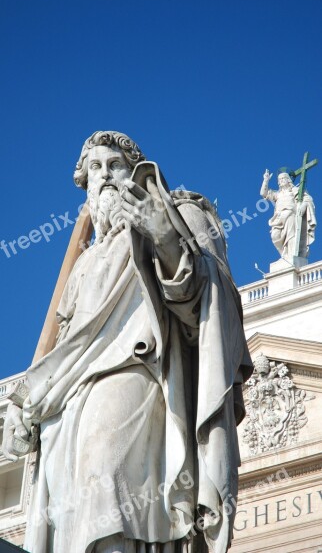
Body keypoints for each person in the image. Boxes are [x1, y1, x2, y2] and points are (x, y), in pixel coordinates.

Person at [3, 131, 252, 553]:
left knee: (110, 483)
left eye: (114, 165)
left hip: (132, 373)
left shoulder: (174, 213)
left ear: (133, 172)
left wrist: (165, 238)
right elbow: (59, 344)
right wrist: (25, 396)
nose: (104, 177)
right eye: (94, 169)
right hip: (68, 401)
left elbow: (203, 305)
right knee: (70, 515)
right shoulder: (83, 262)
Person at [260, 169, 316, 260]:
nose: (280, 181)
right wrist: (266, 180)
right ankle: (284, 255)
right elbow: (263, 193)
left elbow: (307, 199)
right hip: (278, 218)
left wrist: (303, 206)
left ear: (288, 180)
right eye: (279, 179)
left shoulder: (294, 190)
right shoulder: (277, 194)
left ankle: (291, 256)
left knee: (291, 237)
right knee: (275, 236)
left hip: (290, 215)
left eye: (283, 178)